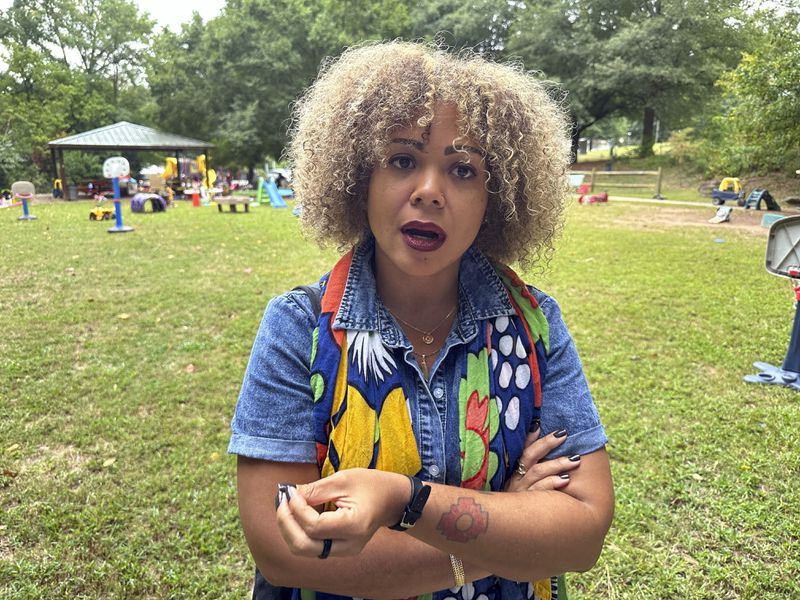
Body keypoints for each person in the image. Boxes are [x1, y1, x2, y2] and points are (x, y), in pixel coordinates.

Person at [228, 41, 614, 600]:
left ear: (496, 195)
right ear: (361, 178)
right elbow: (284, 553)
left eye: (463, 170)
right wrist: (512, 528)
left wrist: (403, 501)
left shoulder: (536, 327)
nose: (429, 191)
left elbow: (581, 537)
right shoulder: (299, 328)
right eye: (403, 160)